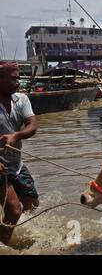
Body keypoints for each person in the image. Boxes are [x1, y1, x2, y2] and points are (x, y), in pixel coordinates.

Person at [0, 61, 39, 245]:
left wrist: (17, 135)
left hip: (16, 165)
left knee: (32, 204)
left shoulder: (21, 99)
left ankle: (6, 231)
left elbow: (32, 126)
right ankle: (4, 246)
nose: (18, 82)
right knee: (14, 211)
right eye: (14, 79)